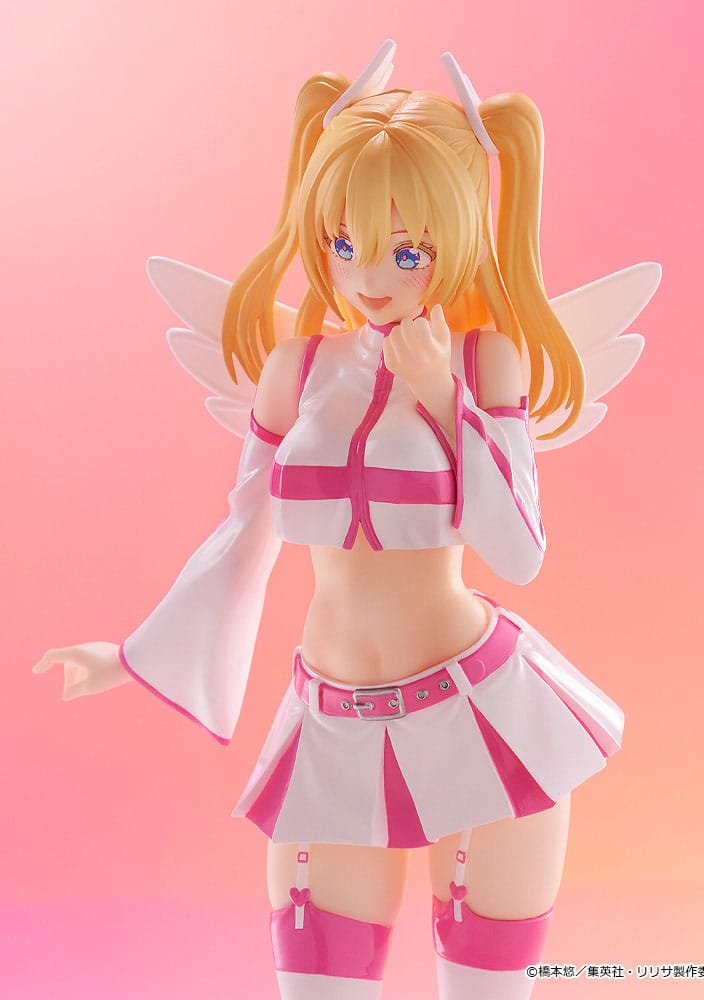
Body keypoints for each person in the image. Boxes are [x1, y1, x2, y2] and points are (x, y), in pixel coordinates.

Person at [35, 41, 651, 1000]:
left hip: (485, 715)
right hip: (331, 724)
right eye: (343, 243)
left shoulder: (485, 363)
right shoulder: (297, 371)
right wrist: (133, 654)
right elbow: (244, 535)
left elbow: (518, 551)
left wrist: (442, 396)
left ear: (456, 240)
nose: (370, 276)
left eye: (407, 252)